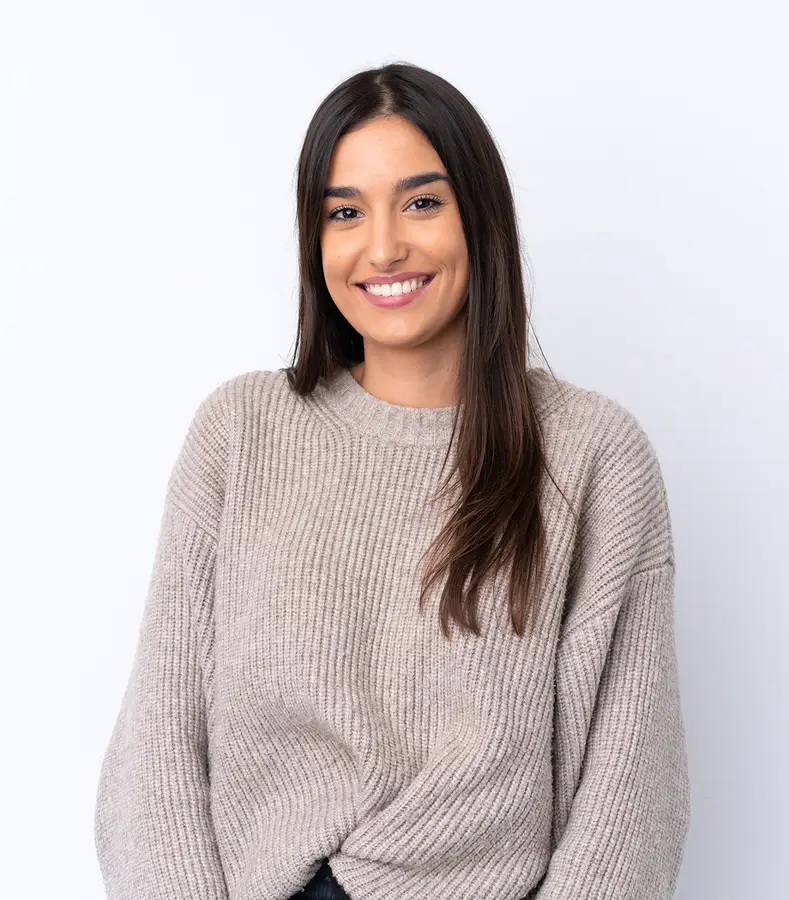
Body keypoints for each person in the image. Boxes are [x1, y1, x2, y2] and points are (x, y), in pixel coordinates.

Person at [93, 62, 691, 900]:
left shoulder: (592, 454)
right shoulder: (241, 431)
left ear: (477, 217)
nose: (382, 247)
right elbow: (156, 741)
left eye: (420, 202)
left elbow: (629, 794)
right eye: (343, 212)